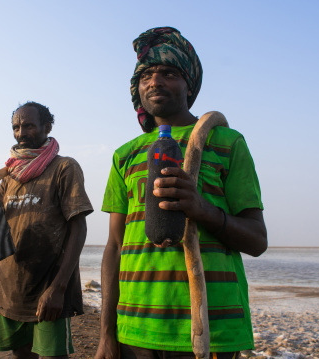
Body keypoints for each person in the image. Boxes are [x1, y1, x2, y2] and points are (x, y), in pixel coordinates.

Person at [95, 27, 267, 359]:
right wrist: (106, 334)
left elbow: (258, 241)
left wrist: (202, 210)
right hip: (135, 330)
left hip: (208, 329)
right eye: (146, 75)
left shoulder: (227, 142)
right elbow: (115, 247)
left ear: (188, 84)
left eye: (168, 73)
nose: (154, 81)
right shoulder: (125, 155)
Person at [0, 101, 93, 359]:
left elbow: (78, 227)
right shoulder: (9, 176)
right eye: (16, 127)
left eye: (28, 126)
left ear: (47, 127)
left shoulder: (64, 168)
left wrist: (58, 289)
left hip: (49, 290)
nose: (21, 133)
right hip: (11, 291)